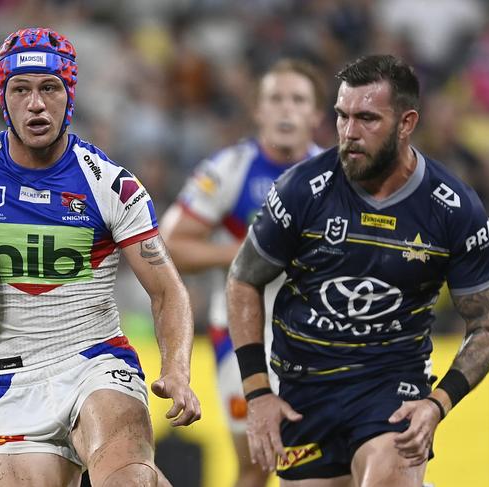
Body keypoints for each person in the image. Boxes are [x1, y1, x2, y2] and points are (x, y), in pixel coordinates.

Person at [0, 27, 201, 487]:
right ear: (4, 97)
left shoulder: (111, 186)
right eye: (21, 89)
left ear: (69, 95)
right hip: (10, 380)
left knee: (128, 481)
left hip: (95, 360)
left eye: (49, 88)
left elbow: (166, 289)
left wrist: (176, 369)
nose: (36, 103)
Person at [226, 54, 489, 486]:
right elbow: (243, 278)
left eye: (367, 119)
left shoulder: (454, 209)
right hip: (304, 393)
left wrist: (438, 402)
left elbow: (488, 326)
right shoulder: (301, 189)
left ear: (407, 123)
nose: (349, 133)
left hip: (391, 390)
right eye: (342, 116)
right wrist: (258, 391)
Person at [161, 58, 325, 487]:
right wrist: (251, 252)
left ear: (316, 114)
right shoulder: (229, 168)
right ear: (258, 110)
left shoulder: (335, 175)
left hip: (317, 333)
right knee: (257, 460)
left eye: (298, 99)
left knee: (317, 461)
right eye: (275, 99)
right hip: (242, 331)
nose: (286, 109)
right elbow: (168, 244)